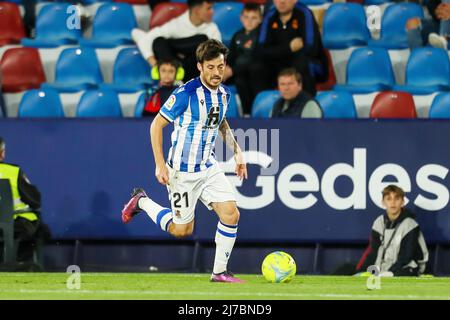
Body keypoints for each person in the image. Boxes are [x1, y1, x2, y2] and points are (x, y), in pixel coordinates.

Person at [122, 39, 248, 283]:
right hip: (182, 171)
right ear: (200, 66)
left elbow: (220, 122)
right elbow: (156, 125)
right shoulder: (186, 93)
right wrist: (160, 164)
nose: (216, 72)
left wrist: (237, 151)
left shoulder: (224, 93)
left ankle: (219, 272)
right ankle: (143, 202)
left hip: (208, 166)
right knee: (182, 230)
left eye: (220, 67)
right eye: (210, 67)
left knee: (231, 214)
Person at [249, 0, 328, 103]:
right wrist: (289, 48)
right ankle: (261, 108)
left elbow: (311, 48)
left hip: (309, 63)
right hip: (278, 63)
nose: (281, 2)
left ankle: (307, 107)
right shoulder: (270, 16)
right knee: (257, 67)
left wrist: (276, 52)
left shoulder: (304, 13)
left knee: (302, 64)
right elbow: (260, 50)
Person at [131, 0, 221, 82]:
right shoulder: (177, 24)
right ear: (197, 11)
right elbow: (139, 35)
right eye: (209, 8)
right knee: (159, 41)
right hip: (175, 66)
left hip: (194, 71)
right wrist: (154, 63)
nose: (212, 12)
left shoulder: (212, 29)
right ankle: (174, 79)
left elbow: (218, 57)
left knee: (204, 42)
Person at [355, 185, 429, 277]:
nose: (393, 202)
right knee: (350, 270)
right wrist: (362, 271)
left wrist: (390, 272)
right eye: (389, 199)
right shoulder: (379, 222)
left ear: (402, 202)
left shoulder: (410, 224)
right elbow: (373, 252)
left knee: (402, 272)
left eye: (397, 199)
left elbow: (406, 257)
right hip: (381, 269)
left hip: (407, 268)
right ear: (383, 202)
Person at [0, 137, 49, 265]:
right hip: (16, 225)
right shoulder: (13, 172)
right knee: (39, 230)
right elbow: (35, 200)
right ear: (2, 153)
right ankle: (22, 265)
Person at [224, 3, 263, 115]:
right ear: (241, 18)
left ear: (260, 19)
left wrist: (232, 71)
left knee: (241, 79)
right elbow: (231, 56)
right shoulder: (237, 35)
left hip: (252, 73)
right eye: (246, 17)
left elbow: (256, 58)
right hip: (235, 71)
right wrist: (225, 69)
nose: (249, 21)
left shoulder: (262, 34)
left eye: (253, 18)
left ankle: (248, 113)